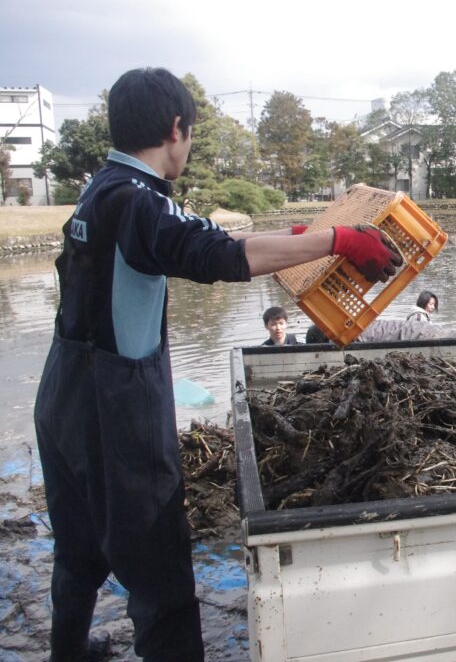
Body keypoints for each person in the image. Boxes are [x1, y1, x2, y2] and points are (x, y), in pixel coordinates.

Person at [32, 67, 403, 661]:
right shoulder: (139, 202)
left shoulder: (101, 188)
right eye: (191, 134)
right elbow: (222, 254)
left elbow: (202, 237)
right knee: (161, 577)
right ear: (176, 128)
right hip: (115, 412)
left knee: (77, 548)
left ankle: (67, 653)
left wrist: (307, 232)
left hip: (62, 398)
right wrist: (337, 242)